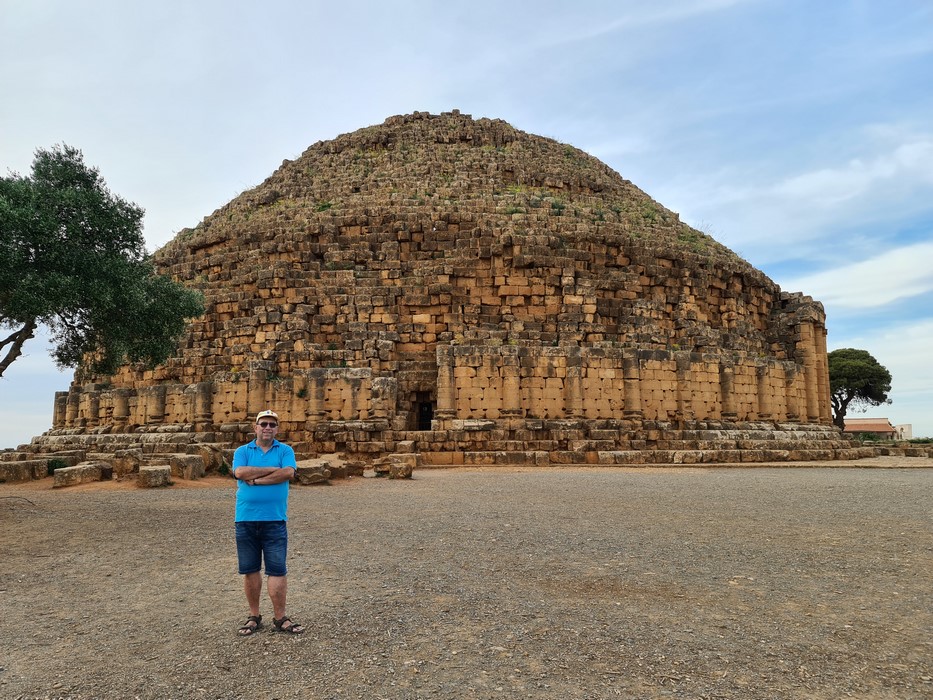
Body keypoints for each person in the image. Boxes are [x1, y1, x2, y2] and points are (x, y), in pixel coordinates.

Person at [232, 409, 305, 636]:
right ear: (255, 427)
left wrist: (256, 481)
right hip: (245, 519)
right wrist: (273, 469)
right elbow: (240, 472)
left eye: (272, 425)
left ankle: (280, 617)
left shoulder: (285, 450)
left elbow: (288, 473)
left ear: (277, 428)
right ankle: (254, 616)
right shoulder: (242, 451)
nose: (267, 428)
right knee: (250, 570)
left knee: (277, 570)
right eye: (263, 424)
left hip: (275, 519)